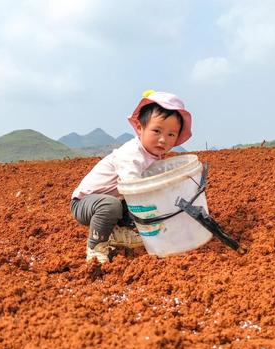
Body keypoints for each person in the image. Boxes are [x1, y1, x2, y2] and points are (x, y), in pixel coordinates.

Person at [70, 90, 193, 263]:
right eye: (157, 131)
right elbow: (133, 187)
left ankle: (118, 232)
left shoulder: (153, 155)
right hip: (85, 203)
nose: (163, 140)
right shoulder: (131, 154)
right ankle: (96, 247)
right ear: (140, 128)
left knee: (133, 202)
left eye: (171, 134)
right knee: (113, 204)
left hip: (117, 200)